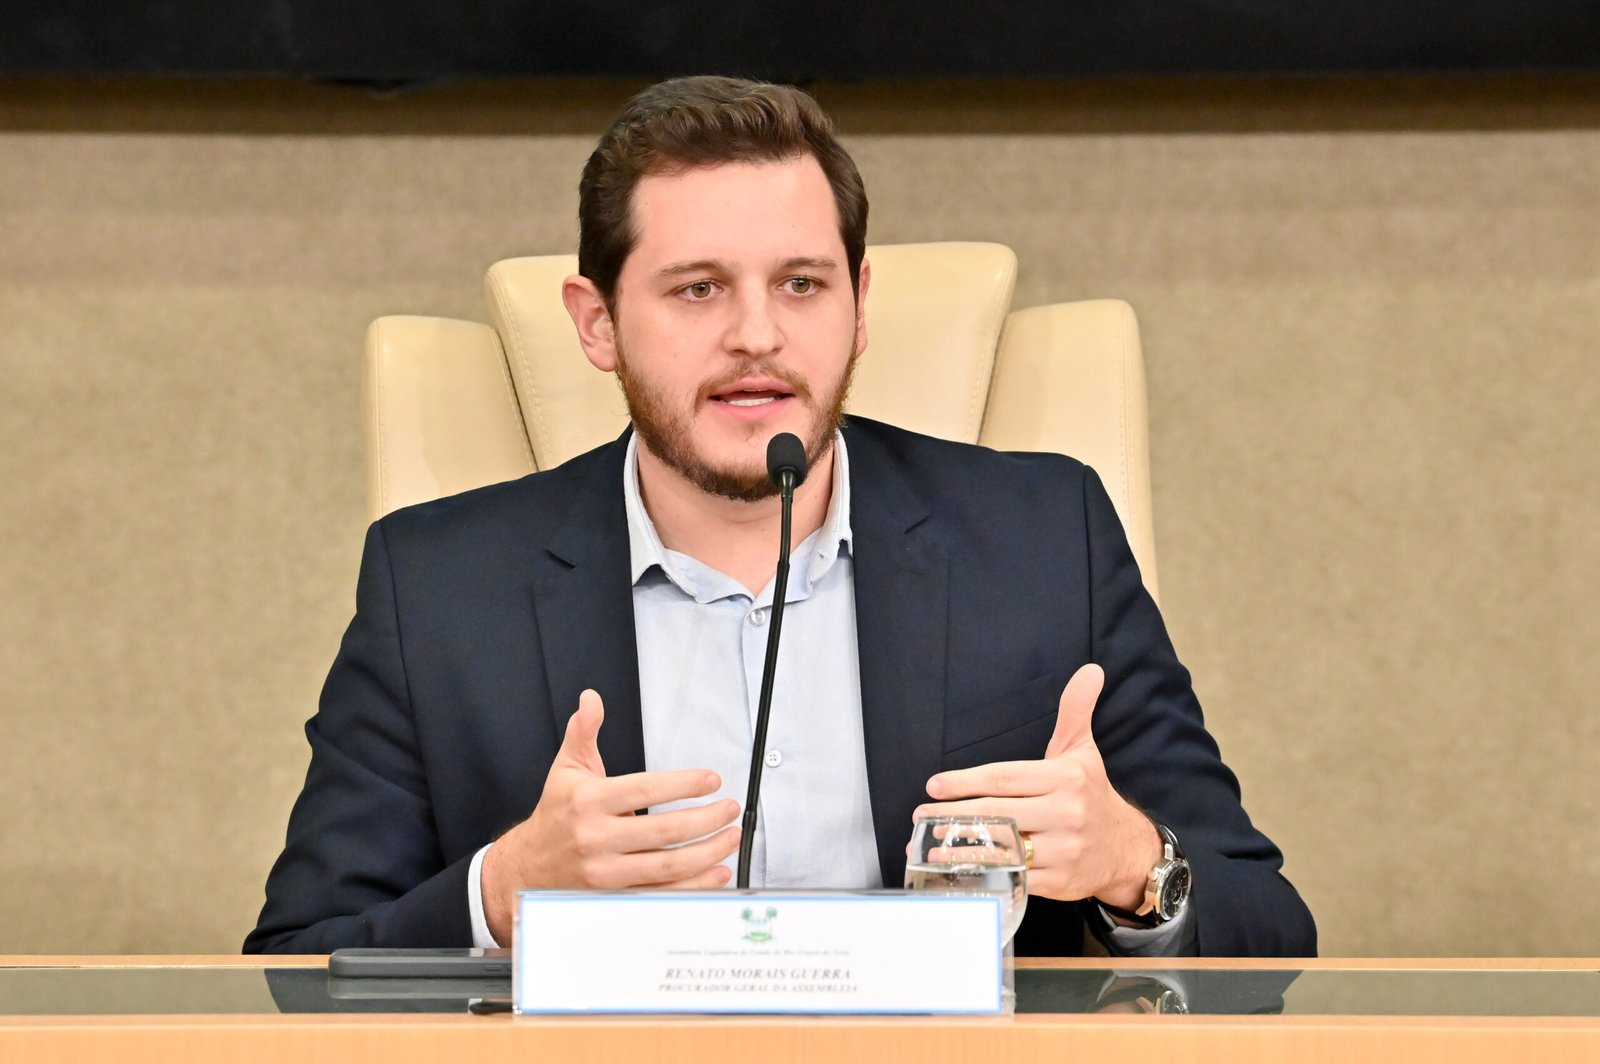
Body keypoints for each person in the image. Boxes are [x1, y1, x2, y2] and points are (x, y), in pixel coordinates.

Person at [245, 76, 1315, 958]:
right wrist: (500, 892)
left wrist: (1133, 862)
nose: (757, 334)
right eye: (698, 289)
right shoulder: (435, 583)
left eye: (801, 284)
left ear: (858, 305)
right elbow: (295, 964)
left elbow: (1270, 930)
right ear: (597, 323)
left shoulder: (1043, 538)